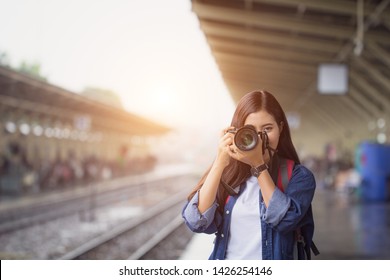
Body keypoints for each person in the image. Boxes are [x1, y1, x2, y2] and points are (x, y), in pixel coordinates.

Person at [182, 90, 317, 260]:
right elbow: (196, 221)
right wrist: (220, 161)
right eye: (251, 131)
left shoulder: (299, 177)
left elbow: (285, 221)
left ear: (281, 128)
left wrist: (258, 165)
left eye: (267, 129)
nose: (260, 138)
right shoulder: (228, 175)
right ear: (238, 133)